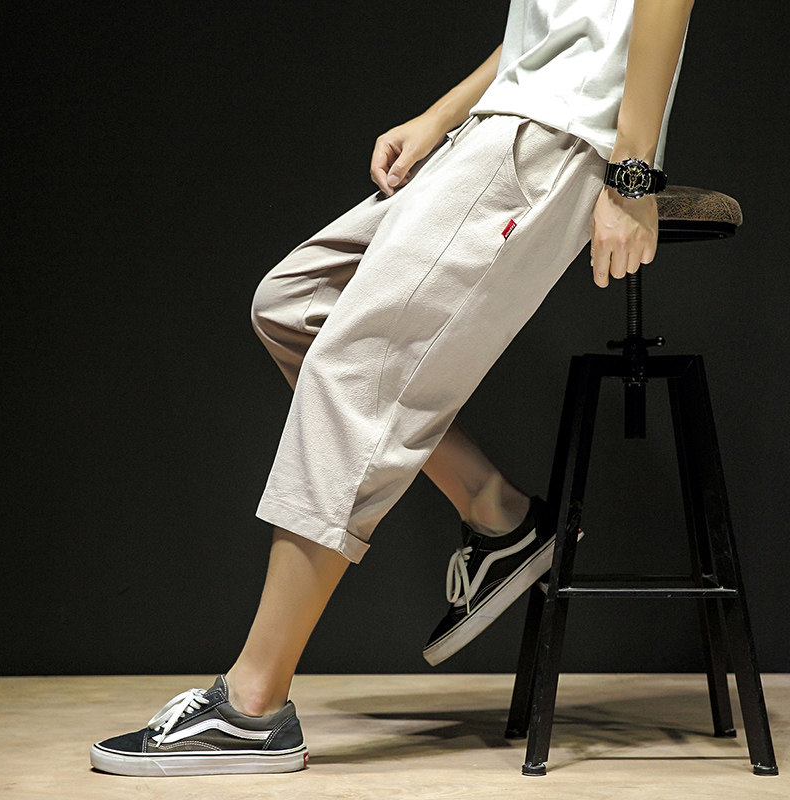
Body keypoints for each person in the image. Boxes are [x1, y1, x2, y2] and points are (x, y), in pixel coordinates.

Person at [90, 0, 694, 777]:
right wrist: (443, 115)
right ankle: (500, 517)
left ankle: (251, 706)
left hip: (554, 135)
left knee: (353, 372)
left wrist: (632, 176)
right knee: (293, 306)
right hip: (503, 120)